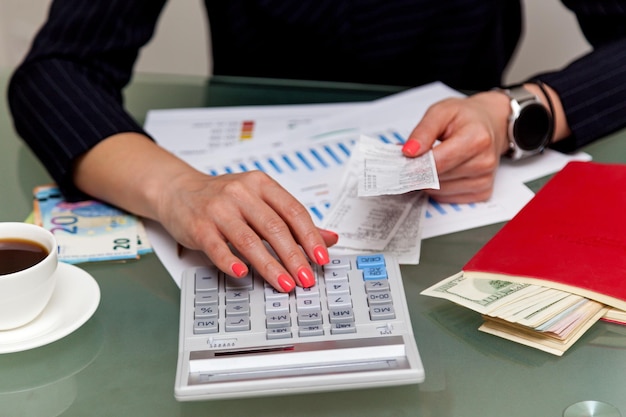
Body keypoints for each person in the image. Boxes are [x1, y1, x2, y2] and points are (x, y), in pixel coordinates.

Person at [8, 1, 626, 292]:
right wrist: (178, 189)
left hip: (461, 218)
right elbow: (58, 69)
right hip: (253, 182)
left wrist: (515, 112)